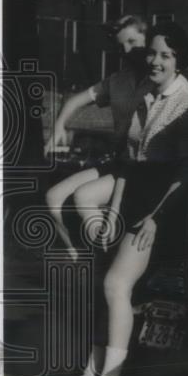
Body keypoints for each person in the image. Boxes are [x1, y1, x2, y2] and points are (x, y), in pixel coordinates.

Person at [74, 22, 188, 376]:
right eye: (153, 53)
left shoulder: (184, 102)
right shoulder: (147, 93)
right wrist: (113, 211)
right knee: (105, 287)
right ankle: (93, 367)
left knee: (116, 285)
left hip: (164, 208)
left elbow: (187, 173)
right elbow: (131, 164)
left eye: (166, 55)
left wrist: (156, 218)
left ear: (180, 61)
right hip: (135, 196)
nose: (156, 60)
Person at [44, 15, 149, 260]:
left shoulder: (156, 78)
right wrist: (59, 126)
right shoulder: (117, 81)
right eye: (121, 46)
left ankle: (105, 254)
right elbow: (75, 101)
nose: (126, 50)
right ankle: (78, 256)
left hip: (140, 166)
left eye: (133, 41)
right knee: (54, 197)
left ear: (148, 39)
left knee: (84, 197)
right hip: (119, 162)